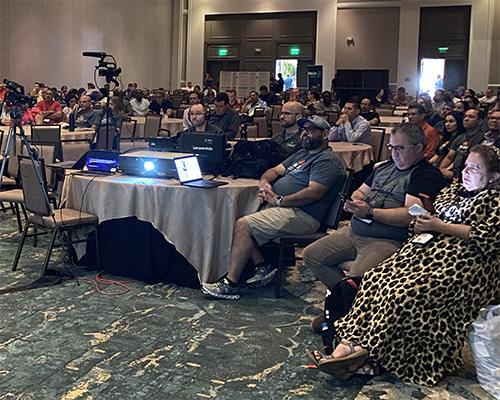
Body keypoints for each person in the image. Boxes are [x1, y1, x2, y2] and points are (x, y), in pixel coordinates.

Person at [308, 144, 500, 386]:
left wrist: (440, 227)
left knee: (405, 293)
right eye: (466, 166)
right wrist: (420, 224)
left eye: (475, 168)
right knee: (376, 279)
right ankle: (350, 346)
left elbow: (490, 238)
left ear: (494, 176)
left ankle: (367, 355)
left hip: (466, 265)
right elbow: (423, 221)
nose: (466, 172)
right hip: (424, 254)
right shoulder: (453, 191)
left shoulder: (495, 201)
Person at [201, 116, 346, 300]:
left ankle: (231, 284)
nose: (305, 133)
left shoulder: (327, 161)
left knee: (243, 225)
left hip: (303, 216)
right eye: (303, 130)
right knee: (236, 217)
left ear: (325, 134)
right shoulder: (302, 154)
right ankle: (263, 266)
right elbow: (275, 171)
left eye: (311, 130)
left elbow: (313, 193)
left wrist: (279, 200)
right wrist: (264, 183)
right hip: (285, 209)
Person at [304, 123, 447, 287]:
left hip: (387, 239)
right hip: (354, 231)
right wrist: (356, 201)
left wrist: (370, 213)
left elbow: (410, 216)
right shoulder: (385, 167)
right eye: (391, 147)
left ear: (418, 148)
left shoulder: (426, 175)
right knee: (312, 256)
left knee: (357, 278)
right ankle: (346, 300)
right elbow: (360, 191)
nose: (394, 154)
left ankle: (354, 302)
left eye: (399, 148)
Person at [440, 109, 484, 181]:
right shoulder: (460, 137)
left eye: (471, 117)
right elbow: (449, 157)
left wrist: (454, 175)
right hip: (453, 175)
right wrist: (441, 170)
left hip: (470, 178)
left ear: (480, 121)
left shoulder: (483, 138)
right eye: (465, 116)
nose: (466, 119)